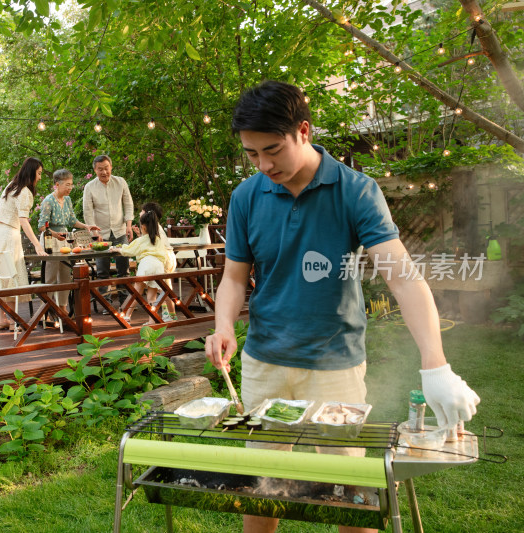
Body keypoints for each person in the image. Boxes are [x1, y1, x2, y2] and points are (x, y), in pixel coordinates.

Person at [204, 81, 480, 533]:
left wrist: (436, 367)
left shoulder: (356, 191)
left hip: (334, 363)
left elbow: (403, 279)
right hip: (263, 362)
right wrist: (224, 328)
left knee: (350, 492)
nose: (263, 164)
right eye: (252, 154)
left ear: (304, 131)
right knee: (261, 486)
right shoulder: (246, 197)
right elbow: (234, 278)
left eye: (272, 150)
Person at [0, 157, 48, 331]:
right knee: (11, 276)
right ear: (31, 172)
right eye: (39, 173)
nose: (40, 178)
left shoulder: (11, 186)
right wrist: (37, 244)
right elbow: (23, 220)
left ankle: (2, 319)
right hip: (9, 235)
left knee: (1, 276)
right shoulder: (25, 192)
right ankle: (13, 322)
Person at [37, 169, 100, 324]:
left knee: (66, 275)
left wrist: (86, 226)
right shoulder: (48, 201)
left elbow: (72, 221)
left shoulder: (68, 200)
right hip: (50, 240)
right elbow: (41, 226)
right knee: (50, 276)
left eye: (71, 184)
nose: (70, 187)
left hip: (65, 239)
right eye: (67, 184)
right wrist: (54, 234)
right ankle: (46, 310)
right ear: (57, 184)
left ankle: (62, 307)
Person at [83, 154, 134, 306]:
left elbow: (128, 204)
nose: (104, 172)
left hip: (120, 230)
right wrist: (94, 234)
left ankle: (125, 302)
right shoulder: (89, 187)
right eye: (100, 169)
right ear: (94, 170)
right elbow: (87, 212)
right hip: (101, 234)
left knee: (123, 269)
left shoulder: (121, 182)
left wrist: (129, 225)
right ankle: (106, 303)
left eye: (106, 168)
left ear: (111, 167)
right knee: (102, 271)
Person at [111, 209, 169, 325]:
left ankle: (126, 315)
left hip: (146, 266)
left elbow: (128, 250)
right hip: (158, 267)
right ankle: (152, 321)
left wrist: (116, 249)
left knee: (136, 293)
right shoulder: (158, 239)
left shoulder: (141, 240)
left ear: (143, 227)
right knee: (152, 297)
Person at [140, 202, 177, 321]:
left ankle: (166, 316)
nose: (140, 213)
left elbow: (148, 243)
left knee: (162, 289)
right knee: (164, 288)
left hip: (163, 259)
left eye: (142, 211)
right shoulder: (157, 226)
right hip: (168, 257)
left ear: (147, 214)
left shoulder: (154, 227)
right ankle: (169, 315)